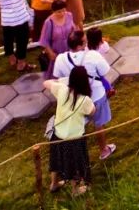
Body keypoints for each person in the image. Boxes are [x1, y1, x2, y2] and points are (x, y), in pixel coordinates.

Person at [52, 31, 115, 160]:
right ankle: (103, 150)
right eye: (85, 40)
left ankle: (74, 154)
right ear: (81, 44)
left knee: (79, 125)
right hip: (96, 95)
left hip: (76, 98)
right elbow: (105, 71)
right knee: (99, 124)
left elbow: (59, 78)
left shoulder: (60, 59)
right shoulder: (92, 55)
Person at [44, 67, 95, 195]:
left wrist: (60, 81)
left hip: (57, 135)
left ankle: (54, 184)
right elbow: (92, 111)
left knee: (55, 160)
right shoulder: (85, 100)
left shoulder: (62, 89)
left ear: (70, 79)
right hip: (74, 139)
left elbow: (46, 83)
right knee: (75, 165)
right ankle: (75, 190)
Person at [39, 0, 76, 81]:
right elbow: (44, 40)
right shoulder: (49, 22)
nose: (62, 13)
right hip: (56, 49)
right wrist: (50, 53)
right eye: (59, 12)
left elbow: (73, 28)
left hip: (69, 47)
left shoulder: (69, 15)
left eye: (64, 10)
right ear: (53, 11)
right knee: (57, 70)